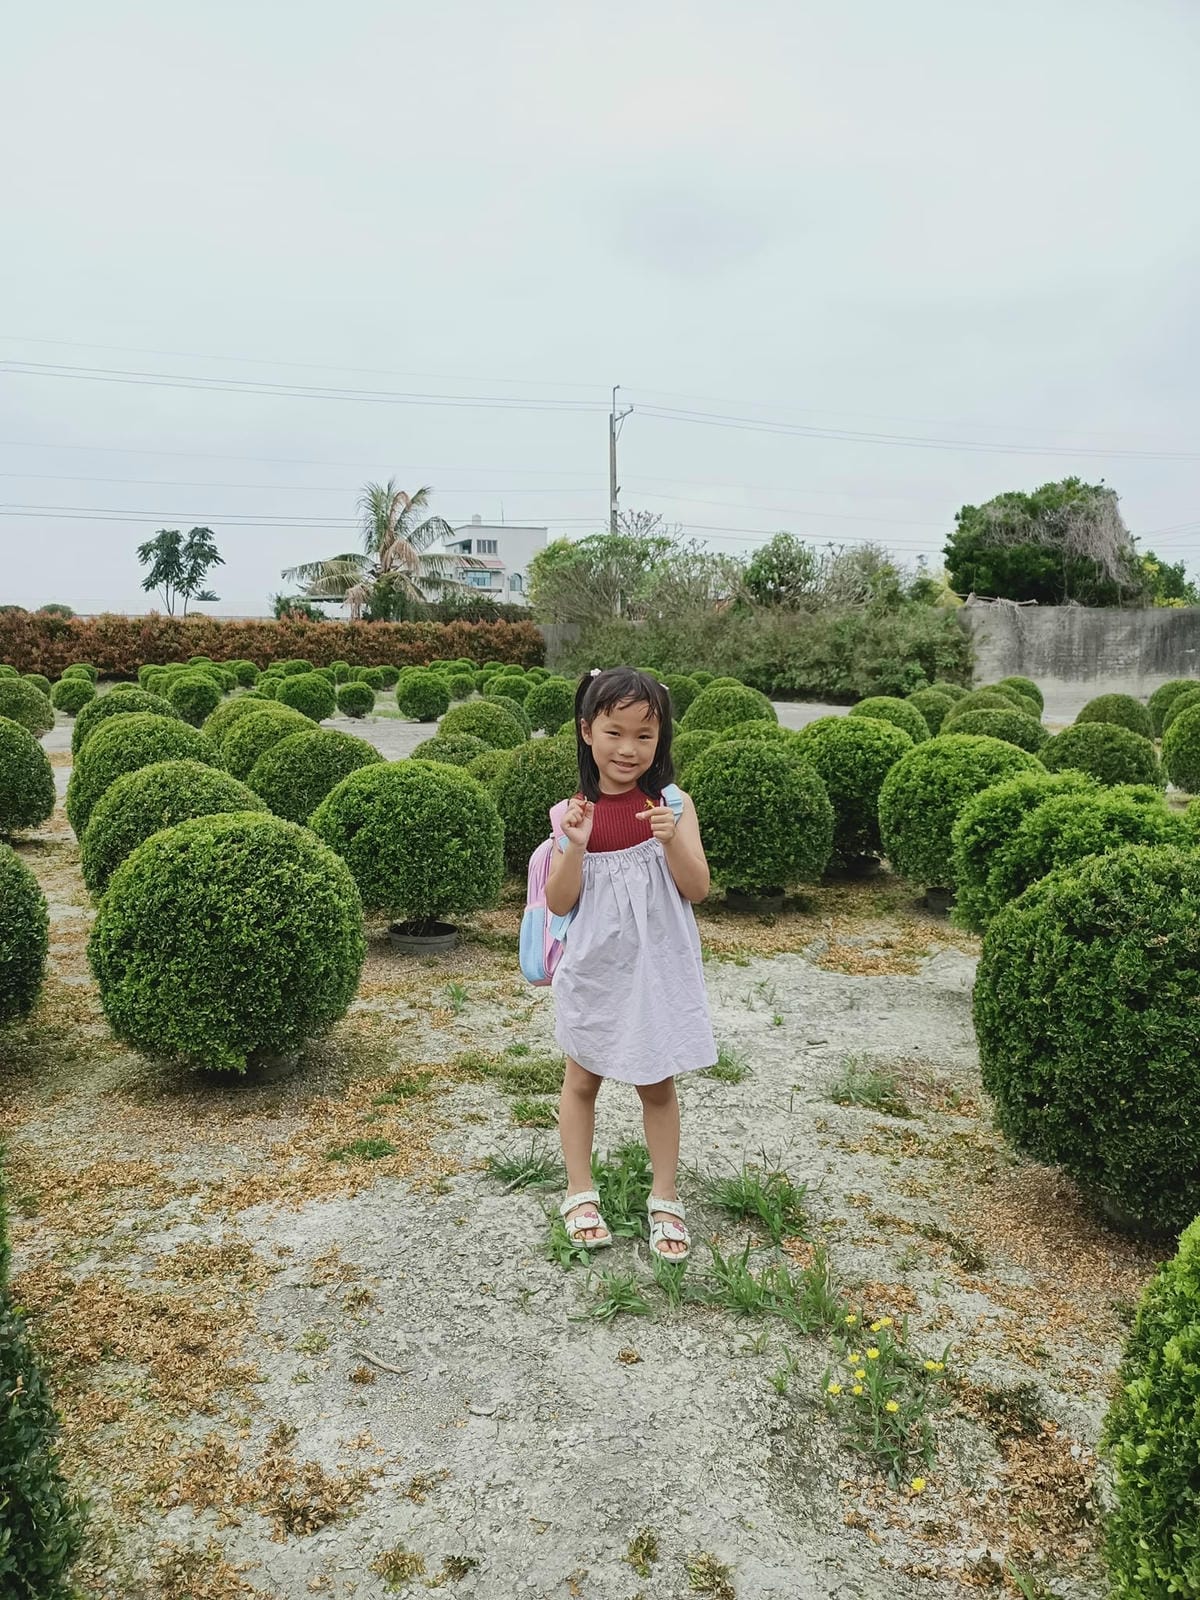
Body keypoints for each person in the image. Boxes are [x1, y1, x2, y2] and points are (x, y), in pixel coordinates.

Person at [546, 667, 717, 1261]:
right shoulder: (571, 812)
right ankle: (579, 1190)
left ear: (661, 739)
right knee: (582, 1079)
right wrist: (575, 843)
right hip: (595, 964)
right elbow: (560, 902)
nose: (628, 749)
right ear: (587, 730)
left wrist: (672, 838)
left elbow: (697, 889)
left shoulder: (671, 804)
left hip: (654, 967)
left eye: (645, 736)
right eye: (614, 732)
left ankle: (665, 1196)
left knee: (657, 1081)